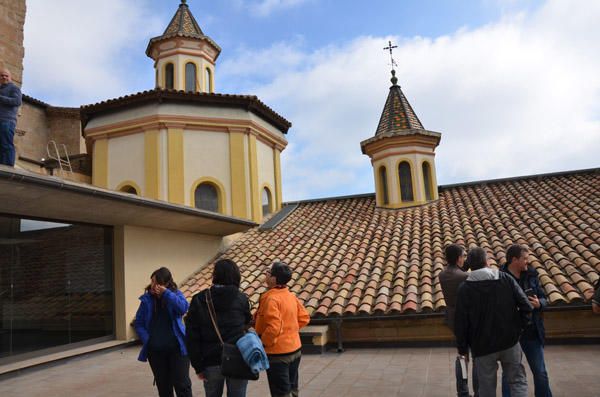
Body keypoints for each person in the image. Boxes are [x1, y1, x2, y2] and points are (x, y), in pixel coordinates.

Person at [455, 247, 533, 397]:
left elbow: (461, 323)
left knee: (486, 389)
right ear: (487, 261)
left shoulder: (464, 289)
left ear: (470, 264)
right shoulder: (505, 278)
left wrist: (462, 348)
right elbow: (526, 306)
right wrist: (518, 329)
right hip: (510, 342)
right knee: (517, 382)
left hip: (482, 347)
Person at [185, 259, 252, 397]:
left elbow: (192, 337)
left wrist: (198, 366)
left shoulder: (199, 299)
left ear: (215, 275)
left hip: (210, 361)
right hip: (237, 358)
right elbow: (247, 322)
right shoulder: (241, 298)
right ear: (236, 276)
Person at [501, 244, 553, 397]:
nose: (527, 262)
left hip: (532, 331)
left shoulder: (532, 275)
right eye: (524, 259)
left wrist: (539, 304)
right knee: (509, 375)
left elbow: (544, 298)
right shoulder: (500, 278)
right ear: (514, 259)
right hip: (510, 334)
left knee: (541, 372)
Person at [255, 262, 310, 397]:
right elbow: (304, 318)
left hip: (278, 354)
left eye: (268, 273)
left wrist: (263, 343)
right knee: (292, 389)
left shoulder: (271, 299)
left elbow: (274, 327)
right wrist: (289, 331)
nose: (266, 275)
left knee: (280, 392)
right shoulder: (290, 296)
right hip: (295, 348)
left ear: (274, 279)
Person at [134, 267, 192, 397]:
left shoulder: (175, 294)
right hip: (156, 351)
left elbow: (183, 308)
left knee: (182, 385)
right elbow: (139, 323)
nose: (153, 286)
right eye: (152, 282)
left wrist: (167, 294)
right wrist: (148, 340)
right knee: (164, 387)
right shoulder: (147, 299)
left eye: (157, 282)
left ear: (166, 284)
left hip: (178, 349)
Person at [439, 243, 476, 397]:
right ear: (459, 258)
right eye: (463, 256)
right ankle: (477, 390)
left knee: (462, 355)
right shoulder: (465, 277)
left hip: (452, 317)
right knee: (476, 356)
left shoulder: (442, 274)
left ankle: (462, 390)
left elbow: (456, 271)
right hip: (468, 318)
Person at [0, 67, 22, 167]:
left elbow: (17, 101)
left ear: (10, 77)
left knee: (6, 145)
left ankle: (8, 169)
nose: (4, 77)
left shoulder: (14, 88)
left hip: (7, 121)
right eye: (1, 75)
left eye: (6, 75)